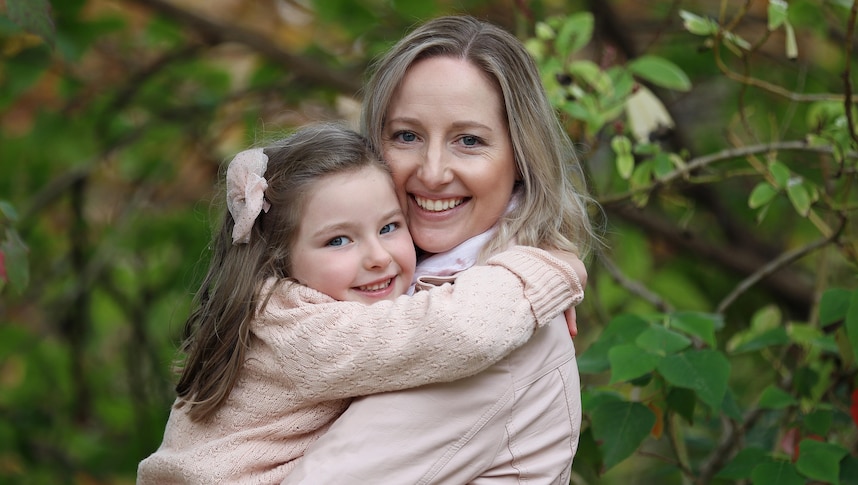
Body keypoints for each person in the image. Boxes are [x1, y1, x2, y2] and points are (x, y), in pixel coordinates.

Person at [136, 123, 585, 483]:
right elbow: (455, 332)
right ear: (279, 259)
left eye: (390, 227)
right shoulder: (295, 327)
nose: (377, 257)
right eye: (338, 240)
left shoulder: (290, 310)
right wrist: (546, 268)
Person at [283, 15, 599, 484]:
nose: (432, 173)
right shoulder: (388, 281)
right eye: (406, 136)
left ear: (520, 160)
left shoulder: (497, 327)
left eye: (468, 141)